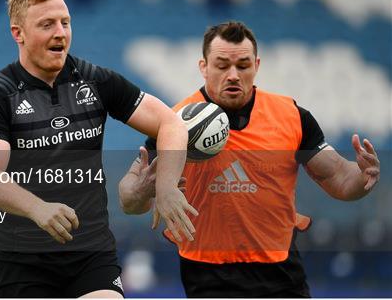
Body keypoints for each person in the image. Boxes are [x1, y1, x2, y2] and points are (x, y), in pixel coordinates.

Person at [0, 0, 196, 298]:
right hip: (22, 260)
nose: (60, 32)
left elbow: (171, 123)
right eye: (47, 24)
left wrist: (167, 185)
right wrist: (38, 208)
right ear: (18, 34)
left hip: (90, 254)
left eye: (65, 22)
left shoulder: (96, 81)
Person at [118, 21, 380, 297]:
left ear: (256, 65)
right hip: (207, 275)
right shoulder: (175, 122)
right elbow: (129, 199)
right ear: (203, 66)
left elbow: (338, 177)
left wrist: (362, 177)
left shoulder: (291, 116)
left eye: (242, 66)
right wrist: (143, 190)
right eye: (222, 65)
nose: (233, 75)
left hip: (281, 274)